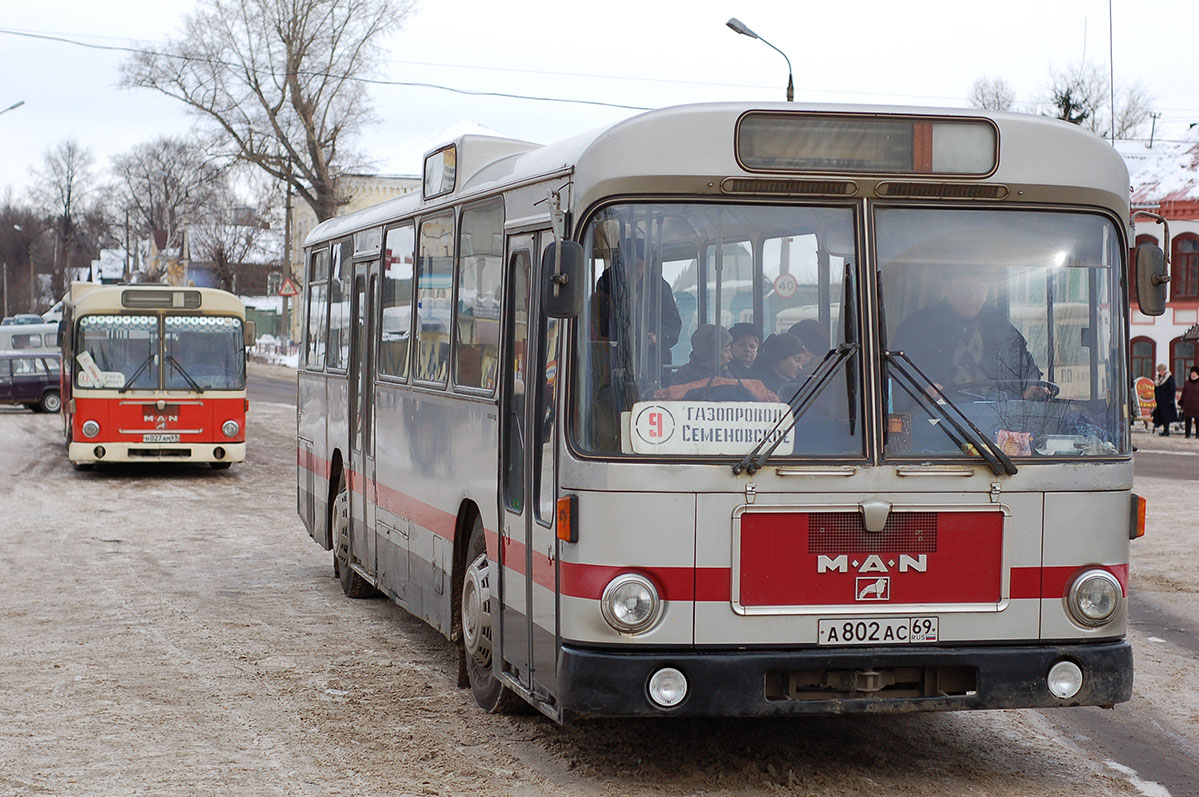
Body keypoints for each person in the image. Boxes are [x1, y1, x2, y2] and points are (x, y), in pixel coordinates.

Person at [892, 271, 1049, 400]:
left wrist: (1030, 387)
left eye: (979, 289)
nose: (972, 296)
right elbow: (899, 375)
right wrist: (921, 390)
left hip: (997, 423)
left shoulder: (1004, 330)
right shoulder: (918, 327)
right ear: (947, 289)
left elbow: (1025, 368)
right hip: (937, 422)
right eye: (963, 288)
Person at [591, 239, 682, 382]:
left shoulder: (659, 286)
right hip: (613, 360)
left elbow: (674, 325)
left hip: (652, 364)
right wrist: (624, 309)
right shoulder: (607, 284)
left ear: (647, 265)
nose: (635, 270)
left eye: (639, 265)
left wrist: (657, 337)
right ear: (621, 264)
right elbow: (599, 326)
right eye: (629, 264)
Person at [1153, 363, 1179, 436]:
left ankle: (1166, 431)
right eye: (1160, 370)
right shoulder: (1157, 379)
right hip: (1160, 401)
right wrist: (1156, 398)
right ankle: (1164, 430)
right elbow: (1155, 390)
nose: (1161, 372)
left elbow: (1172, 389)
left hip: (1167, 401)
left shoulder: (1169, 378)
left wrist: (1171, 399)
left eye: (1162, 370)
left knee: (1166, 416)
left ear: (1165, 370)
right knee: (1160, 416)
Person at [1180, 366, 1199, 439]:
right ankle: (1187, 434)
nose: (1193, 374)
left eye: (1195, 373)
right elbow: (1184, 393)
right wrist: (1182, 401)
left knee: (1197, 420)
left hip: (1197, 405)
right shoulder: (1187, 383)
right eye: (1192, 373)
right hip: (1188, 405)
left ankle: (1198, 434)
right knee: (1187, 420)